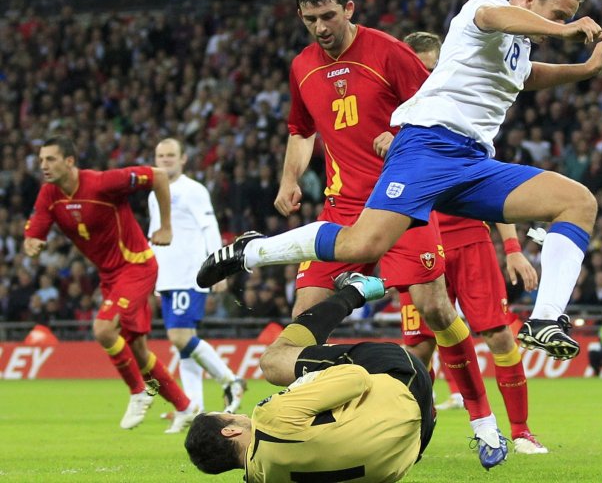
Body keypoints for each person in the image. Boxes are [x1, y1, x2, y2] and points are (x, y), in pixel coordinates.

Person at [199, 0, 602, 364]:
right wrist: (566, 29)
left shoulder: (517, 47)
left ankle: (545, 319)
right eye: (558, 12)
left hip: (472, 162)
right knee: (363, 244)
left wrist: (584, 70)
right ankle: (250, 251)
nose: (560, 23)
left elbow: (526, 76)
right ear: (529, 0)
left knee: (579, 202)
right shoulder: (485, 7)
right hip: (426, 147)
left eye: (567, 17)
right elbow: (496, 17)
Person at [248, 0, 504, 467]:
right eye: (309, 20)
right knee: (304, 324)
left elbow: (440, 109)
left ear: (349, 9)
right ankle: (325, 420)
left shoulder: (389, 52)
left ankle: (483, 422)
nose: (320, 28)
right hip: (342, 209)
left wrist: (401, 129)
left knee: (436, 311)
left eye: (328, 16)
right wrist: (289, 179)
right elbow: (301, 131)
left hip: (402, 202)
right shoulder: (301, 66)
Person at [396, 31, 548, 454]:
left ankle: (520, 431)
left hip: (468, 237)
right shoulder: (398, 116)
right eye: (421, 68)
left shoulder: (463, 113)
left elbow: (491, 189)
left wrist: (514, 250)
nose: (427, 74)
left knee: (499, 335)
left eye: (433, 66)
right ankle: (411, 439)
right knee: (419, 348)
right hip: (418, 239)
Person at [185, 274, 434, 482]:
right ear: (230, 431)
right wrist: (305, 382)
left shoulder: (263, 478)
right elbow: (355, 378)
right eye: (230, 415)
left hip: (410, 449)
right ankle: (354, 291)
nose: (239, 414)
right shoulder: (268, 416)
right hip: (404, 376)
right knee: (273, 361)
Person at [24, 136, 194, 431]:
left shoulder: (102, 183)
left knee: (103, 328)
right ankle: (185, 406)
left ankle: (138, 392)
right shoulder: (49, 195)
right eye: (40, 160)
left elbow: (158, 176)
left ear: (69, 161)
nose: (43, 166)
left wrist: (166, 226)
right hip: (110, 276)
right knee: (138, 350)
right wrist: (31, 243)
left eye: (50, 159)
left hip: (137, 266)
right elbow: (34, 231)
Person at [149, 138, 245, 428]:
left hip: (189, 273)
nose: (165, 160)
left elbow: (210, 228)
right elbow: (155, 232)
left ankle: (230, 380)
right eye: (160, 155)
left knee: (179, 337)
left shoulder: (193, 190)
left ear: (183, 159)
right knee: (183, 344)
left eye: (170, 155)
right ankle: (193, 406)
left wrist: (217, 268)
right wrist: (152, 272)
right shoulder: (155, 192)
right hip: (167, 276)